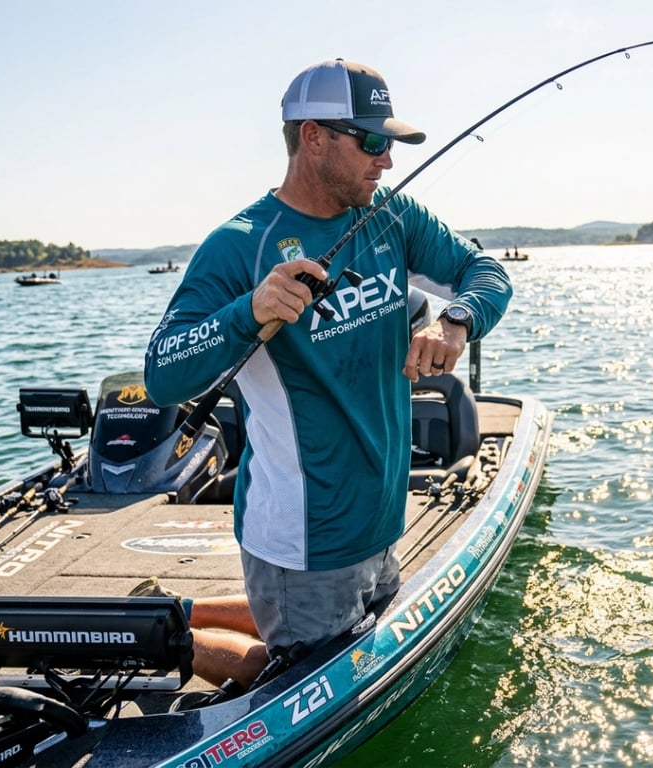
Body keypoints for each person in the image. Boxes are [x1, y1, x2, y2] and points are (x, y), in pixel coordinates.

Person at [142, 58, 512, 689]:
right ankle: (164, 635)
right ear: (313, 137)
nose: (386, 160)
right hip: (303, 534)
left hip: (382, 514)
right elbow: (162, 374)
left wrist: (455, 322)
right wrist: (249, 310)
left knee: (335, 639)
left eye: (389, 143)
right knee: (289, 681)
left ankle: (174, 609)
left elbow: (486, 272)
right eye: (371, 141)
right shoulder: (240, 244)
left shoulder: (392, 215)